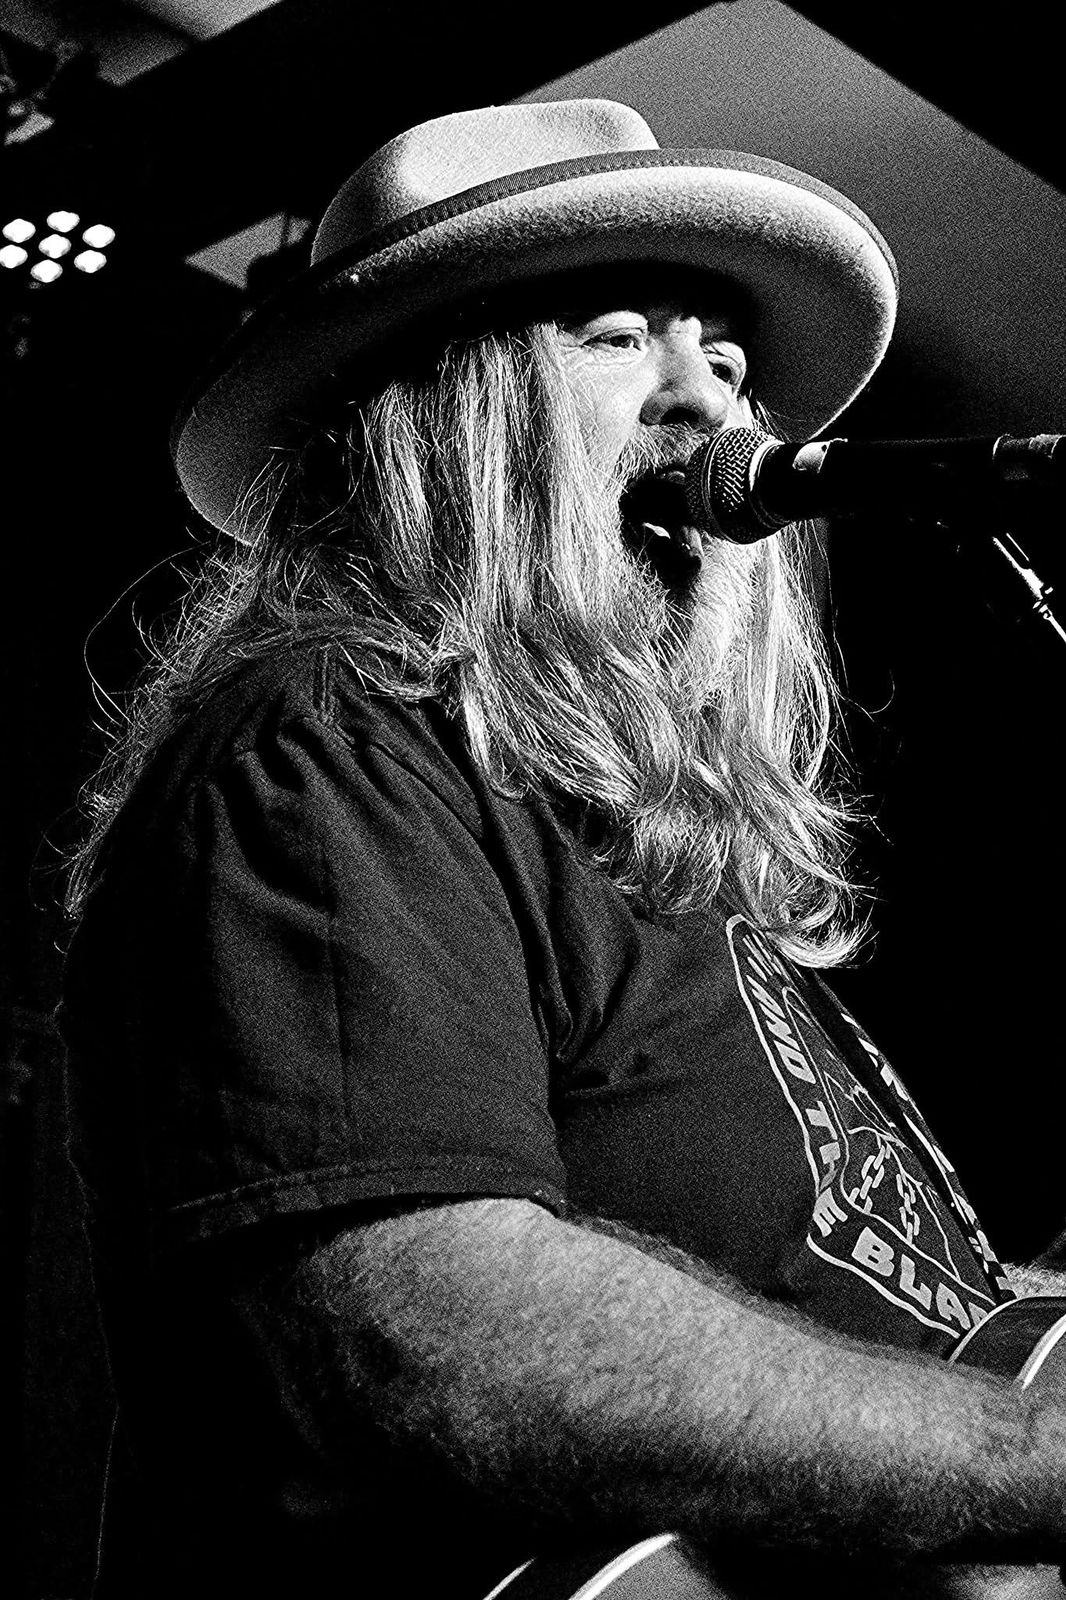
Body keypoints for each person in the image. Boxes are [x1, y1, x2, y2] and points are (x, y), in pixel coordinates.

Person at [59, 99, 1066, 1600]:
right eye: (616, 339)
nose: (708, 403)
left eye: (727, 360)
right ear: (435, 416)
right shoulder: (331, 739)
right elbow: (419, 1332)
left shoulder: (659, 871)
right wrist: (1019, 1453)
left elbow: (905, 1312)